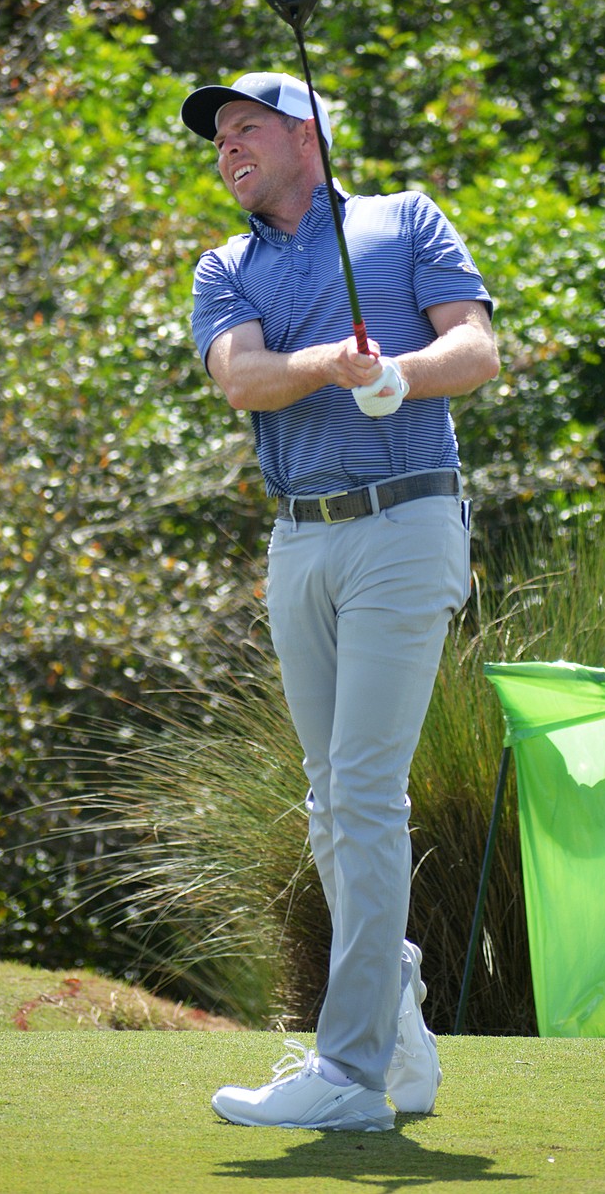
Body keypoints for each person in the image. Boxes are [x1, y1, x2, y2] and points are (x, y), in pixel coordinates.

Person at [179, 71, 499, 1132]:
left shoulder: (404, 220)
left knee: (362, 793)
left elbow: (475, 347)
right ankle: (397, 1029)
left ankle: (351, 1073)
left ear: (305, 133)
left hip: (406, 523)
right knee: (330, 804)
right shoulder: (223, 266)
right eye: (217, 136)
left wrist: (399, 374)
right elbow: (241, 378)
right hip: (297, 542)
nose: (226, 146)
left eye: (244, 127)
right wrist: (327, 362)